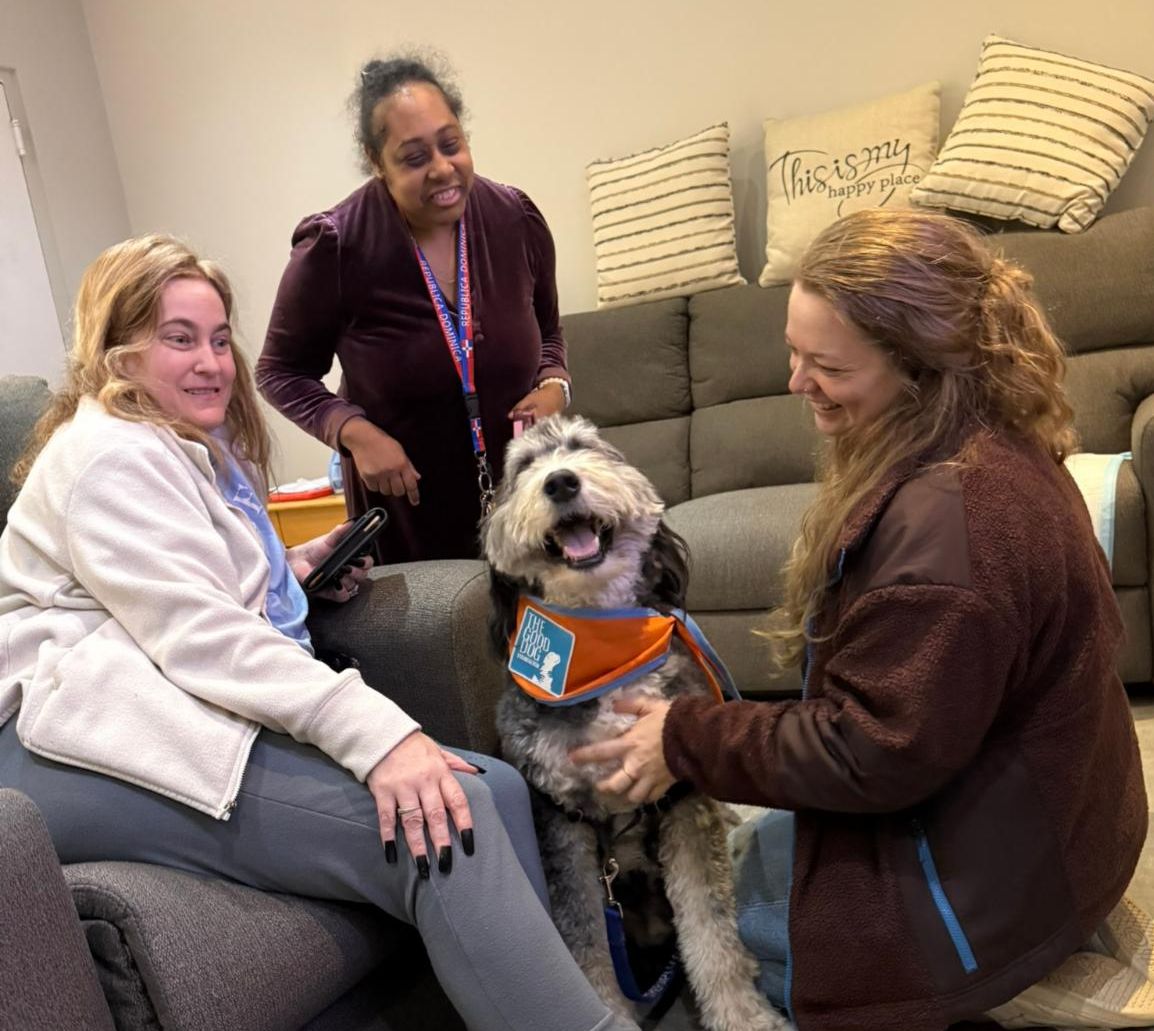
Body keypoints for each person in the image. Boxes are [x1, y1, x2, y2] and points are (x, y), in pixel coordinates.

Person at [0, 234, 639, 1031]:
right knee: (447, 822)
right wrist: (378, 735)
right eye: (177, 338)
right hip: (68, 736)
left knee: (497, 788)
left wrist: (291, 569)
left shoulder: (182, 446)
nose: (211, 361)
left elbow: (182, 589)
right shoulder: (106, 457)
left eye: (218, 336)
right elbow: (202, 637)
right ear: (117, 354)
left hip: (154, 688)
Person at [570, 208, 1148, 1031]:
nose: (797, 381)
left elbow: (870, 749)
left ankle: (1009, 991)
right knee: (748, 850)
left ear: (919, 365)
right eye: (793, 351)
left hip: (996, 887)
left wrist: (681, 737)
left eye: (827, 364)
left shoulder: (948, 537)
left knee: (714, 925)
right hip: (1054, 826)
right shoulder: (994, 440)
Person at [257, 54, 570, 564]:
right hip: (410, 521)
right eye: (414, 157)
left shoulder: (516, 218)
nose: (443, 169)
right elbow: (278, 372)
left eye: (452, 144)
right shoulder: (335, 245)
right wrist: (352, 432)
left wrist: (555, 384)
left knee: (535, 640)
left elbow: (550, 330)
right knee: (443, 643)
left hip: (525, 503)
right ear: (376, 161)